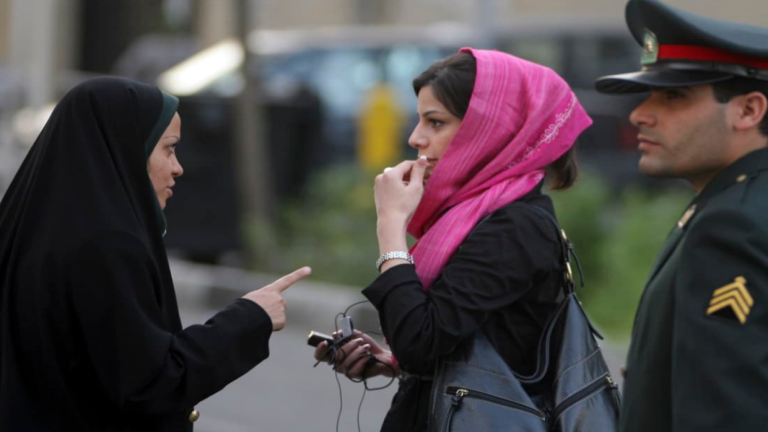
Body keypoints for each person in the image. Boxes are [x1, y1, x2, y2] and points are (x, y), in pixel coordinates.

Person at [0, 77, 311, 431]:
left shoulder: (32, 226)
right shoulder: (107, 245)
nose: (177, 167)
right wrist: (250, 318)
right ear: (127, 147)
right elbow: (150, 383)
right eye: (169, 148)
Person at [314, 48, 593, 431]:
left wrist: (390, 225)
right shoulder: (476, 215)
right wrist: (392, 361)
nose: (416, 138)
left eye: (435, 122)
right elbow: (459, 341)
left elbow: (419, 343)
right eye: (420, 121)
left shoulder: (513, 227)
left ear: (490, 129)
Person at [595, 0, 768, 430]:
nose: (639, 114)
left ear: (748, 110)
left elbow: (726, 415)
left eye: (673, 96)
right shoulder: (738, 203)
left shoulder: (733, 226)